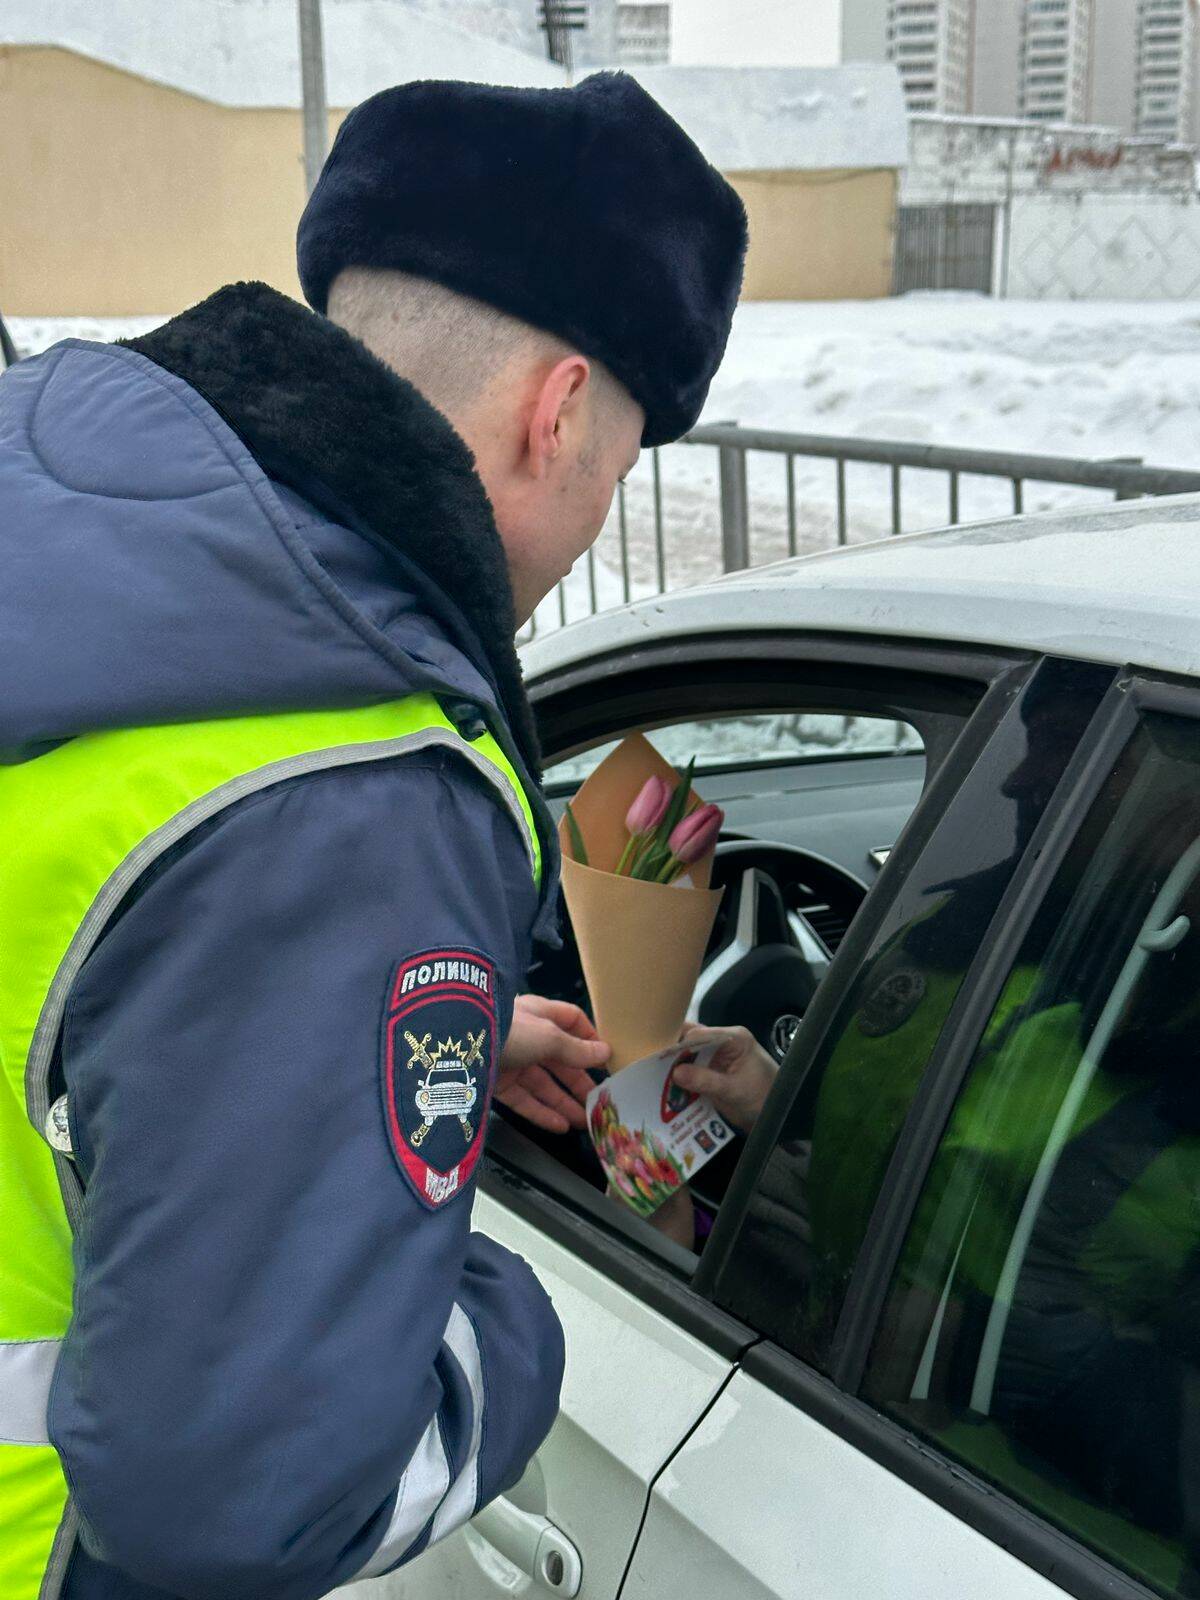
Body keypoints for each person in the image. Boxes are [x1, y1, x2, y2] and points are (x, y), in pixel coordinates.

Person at [0, 74, 746, 1600]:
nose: (598, 513)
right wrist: (510, 1326)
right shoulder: (360, 775)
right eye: (619, 466)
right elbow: (237, 1506)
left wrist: (385, 1040)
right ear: (558, 412)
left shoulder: (73, 535)